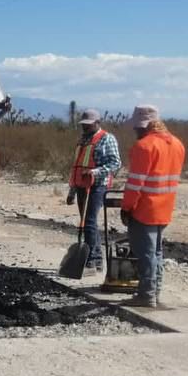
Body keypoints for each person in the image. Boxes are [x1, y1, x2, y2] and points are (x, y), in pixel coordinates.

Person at [120, 105, 185, 308]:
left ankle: (146, 295)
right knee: (156, 253)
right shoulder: (177, 144)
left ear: (144, 125)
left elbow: (135, 183)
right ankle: (154, 293)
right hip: (165, 208)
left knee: (146, 254)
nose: (135, 131)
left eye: (137, 127)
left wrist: (127, 207)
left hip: (145, 209)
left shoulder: (144, 146)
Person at [68, 108, 122, 274]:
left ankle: (93, 259)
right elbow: (76, 166)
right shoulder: (82, 141)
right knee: (86, 222)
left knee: (89, 222)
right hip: (81, 186)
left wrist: (95, 172)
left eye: (88, 125)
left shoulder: (107, 139)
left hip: (98, 186)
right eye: (83, 125)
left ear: (97, 123)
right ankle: (96, 259)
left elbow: (116, 163)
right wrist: (72, 191)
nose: (85, 127)